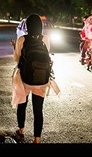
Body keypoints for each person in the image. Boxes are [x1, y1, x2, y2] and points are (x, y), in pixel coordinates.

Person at [11, 14, 60, 143]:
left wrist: (14, 48)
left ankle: (21, 131)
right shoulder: (46, 39)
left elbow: (17, 59)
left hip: (25, 78)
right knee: (38, 110)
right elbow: (46, 54)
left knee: (22, 105)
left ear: (27, 26)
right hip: (41, 78)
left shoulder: (22, 39)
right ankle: (37, 139)